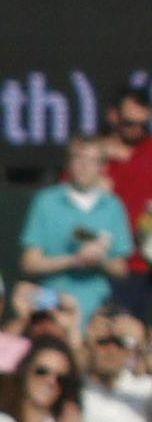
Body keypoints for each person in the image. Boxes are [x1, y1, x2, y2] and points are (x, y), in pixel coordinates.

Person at [22, 136, 133, 322]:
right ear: (69, 162)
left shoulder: (113, 206)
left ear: (102, 167)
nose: (83, 166)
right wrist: (74, 260)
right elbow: (30, 263)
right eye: (78, 158)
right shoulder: (46, 202)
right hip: (52, 303)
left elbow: (121, 269)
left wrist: (99, 260)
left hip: (99, 306)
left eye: (91, 160)